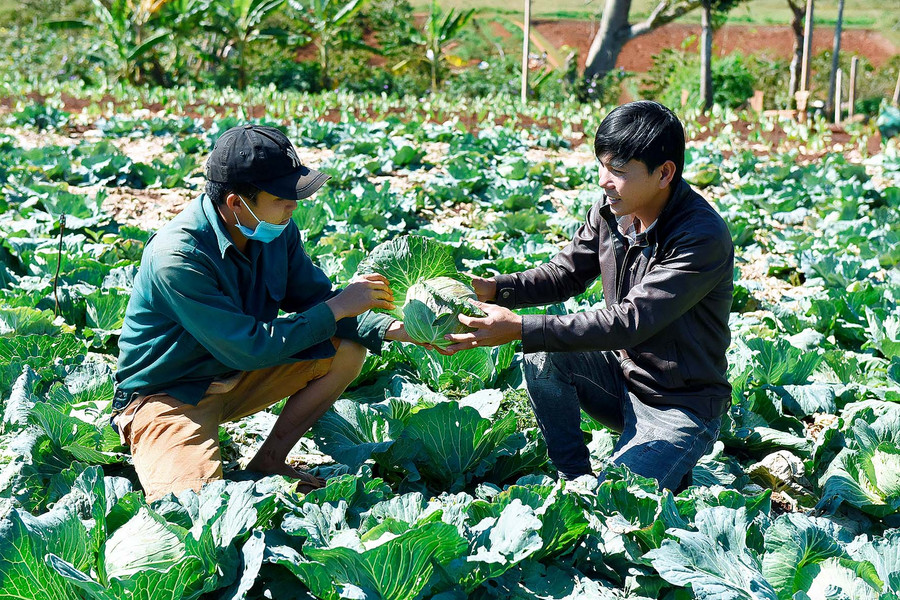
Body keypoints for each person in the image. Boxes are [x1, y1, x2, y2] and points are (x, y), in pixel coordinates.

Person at [444, 101, 734, 492]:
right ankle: (575, 475)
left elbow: (631, 321)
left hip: (678, 403)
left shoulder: (700, 236)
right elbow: (564, 274)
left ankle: (663, 462)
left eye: (618, 171)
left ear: (665, 173)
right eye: (602, 165)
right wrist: (494, 289)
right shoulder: (613, 208)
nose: (604, 180)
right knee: (544, 353)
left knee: (616, 500)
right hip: (620, 379)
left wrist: (518, 328)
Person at [113, 124, 413, 501]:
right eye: (283, 198)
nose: (294, 207)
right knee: (196, 510)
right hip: (171, 393)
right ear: (237, 202)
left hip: (238, 375)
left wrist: (395, 328)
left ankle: (269, 459)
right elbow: (250, 347)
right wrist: (337, 307)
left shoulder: (273, 227)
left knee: (346, 346)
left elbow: (313, 297)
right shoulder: (176, 257)